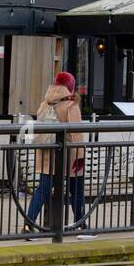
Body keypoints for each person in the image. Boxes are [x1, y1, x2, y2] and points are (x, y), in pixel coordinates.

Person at [24, 71, 91, 238]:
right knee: (76, 190)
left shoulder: (44, 104)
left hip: (48, 154)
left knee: (42, 190)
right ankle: (80, 225)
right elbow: (77, 134)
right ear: (70, 87)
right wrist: (81, 157)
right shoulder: (71, 105)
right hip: (69, 155)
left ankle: (28, 225)